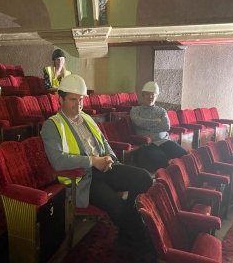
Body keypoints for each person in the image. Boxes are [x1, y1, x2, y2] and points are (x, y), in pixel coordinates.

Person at [41, 74, 153, 246]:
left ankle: (127, 229)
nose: (78, 104)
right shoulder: (52, 125)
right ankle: (142, 239)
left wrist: (111, 159)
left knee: (144, 178)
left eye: (81, 99)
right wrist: (93, 161)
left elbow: (104, 141)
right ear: (60, 99)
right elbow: (58, 161)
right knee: (117, 205)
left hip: (104, 167)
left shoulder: (87, 118)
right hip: (82, 178)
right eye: (73, 99)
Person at [130, 81, 187, 171]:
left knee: (184, 154)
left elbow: (166, 126)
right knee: (161, 159)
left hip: (164, 141)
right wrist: (157, 121)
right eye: (147, 94)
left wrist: (146, 124)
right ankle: (167, 180)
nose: (150, 97)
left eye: (153, 94)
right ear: (143, 95)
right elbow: (138, 122)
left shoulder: (162, 111)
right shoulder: (135, 110)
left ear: (156, 96)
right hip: (148, 144)